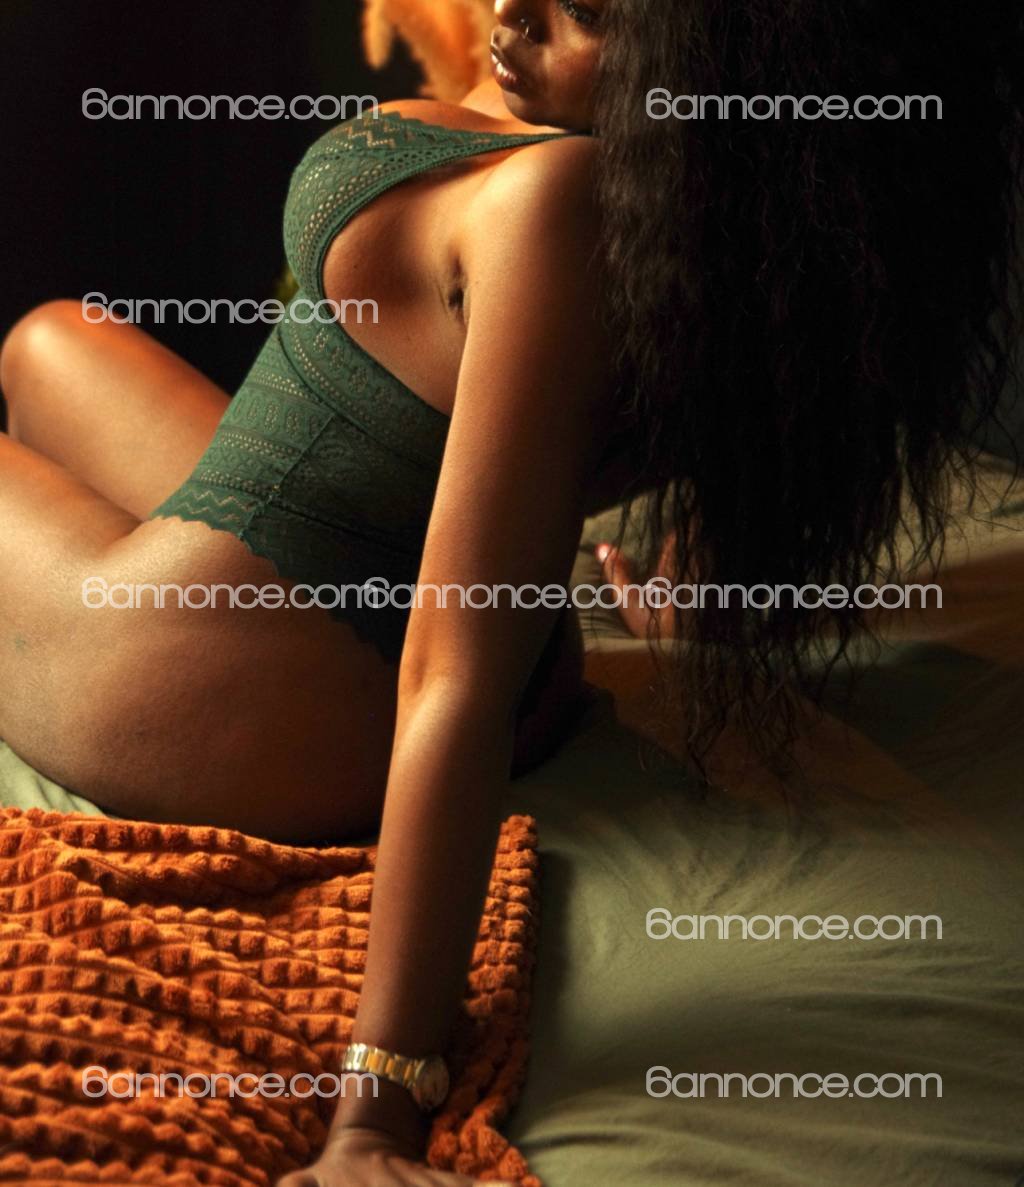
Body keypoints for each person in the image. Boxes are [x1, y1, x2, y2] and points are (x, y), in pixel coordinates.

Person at [1, 0, 1020, 1183]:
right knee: (48, 342)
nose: (508, 12)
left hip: (262, 703)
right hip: (458, 641)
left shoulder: (561, 204)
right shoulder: (711, 218)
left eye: (583, 14)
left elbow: (453, 677)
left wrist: (373, 1111)